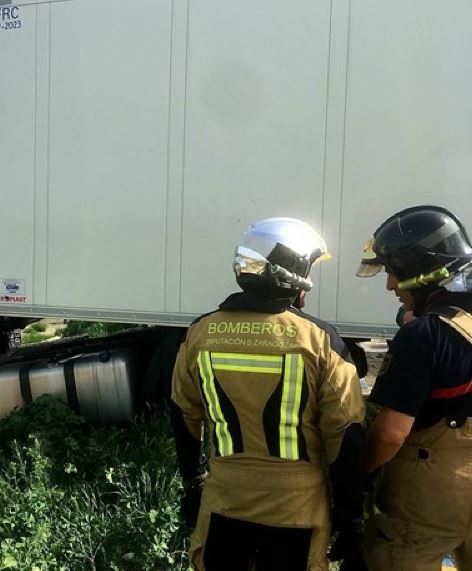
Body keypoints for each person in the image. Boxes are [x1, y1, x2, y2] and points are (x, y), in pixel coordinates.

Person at [171, 217, 367, 571]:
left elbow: (183, 413)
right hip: (296, 509)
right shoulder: (320, 340)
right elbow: (346, 435)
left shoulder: (200, 333)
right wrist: (350, 515)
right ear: (294, 278)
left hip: (224, 501)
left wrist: (192, 482)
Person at [356, 205, 472, 570]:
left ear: (420, 273)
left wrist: (356, 473)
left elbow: (391, 434)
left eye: (392, 273)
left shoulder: (423, 336)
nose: (390, 285)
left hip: (430, 496)